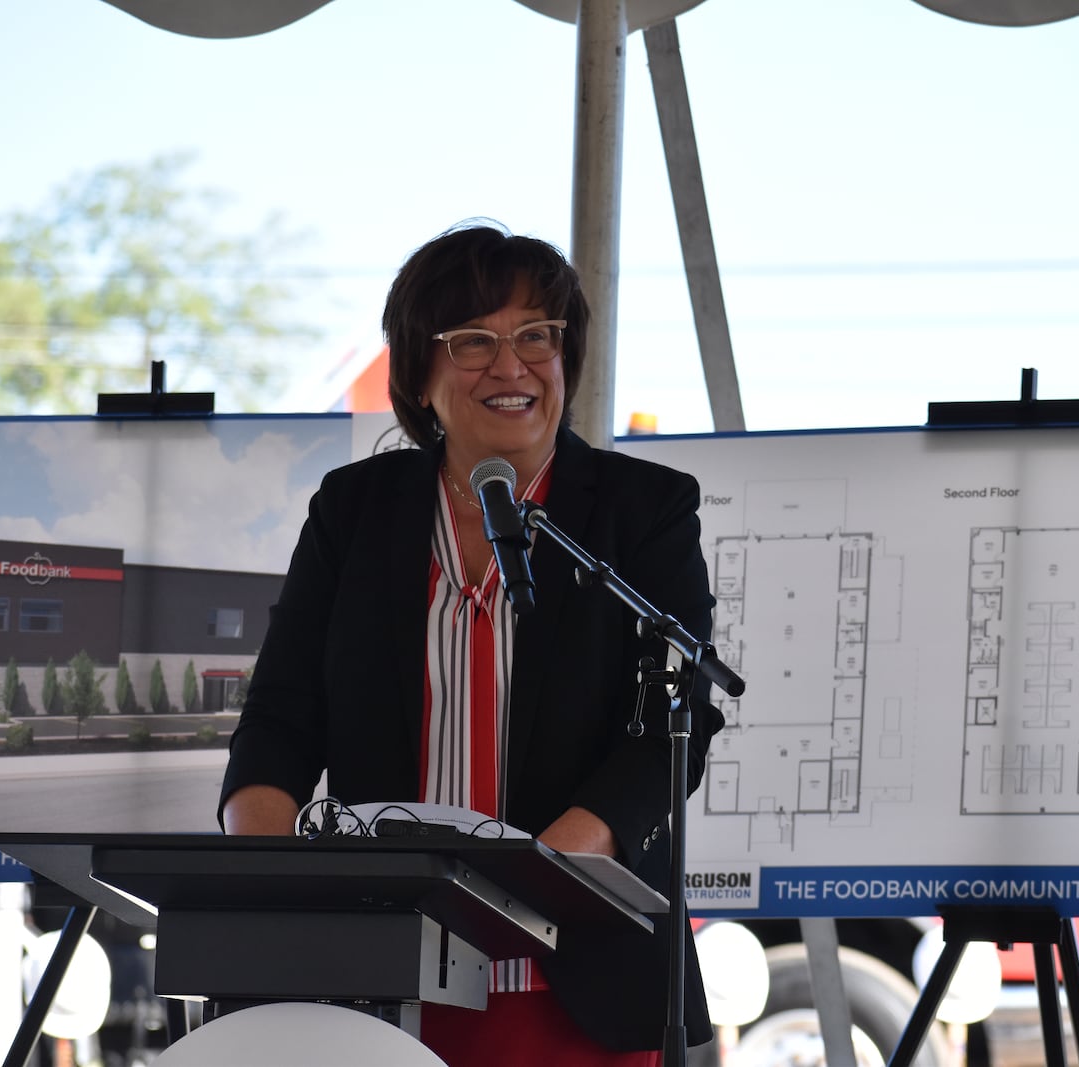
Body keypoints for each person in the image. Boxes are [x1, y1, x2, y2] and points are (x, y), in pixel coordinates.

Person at [218, 220, 723, 1065]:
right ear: (418, 372)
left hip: (577, 978)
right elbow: (281, 717)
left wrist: (541, 878)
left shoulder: (642, 510)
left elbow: (676, 718)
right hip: (377, 976)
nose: (511, 365)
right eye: (473, 342)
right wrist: (268, 889)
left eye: (537, 337)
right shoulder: (354, 510)